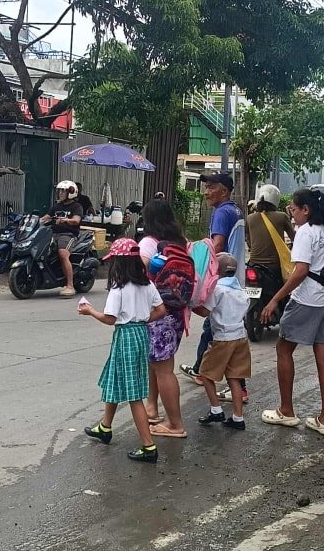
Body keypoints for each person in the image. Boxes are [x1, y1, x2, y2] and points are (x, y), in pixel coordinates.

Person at [260, 188, 324, 436]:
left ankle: (286, 410)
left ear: (306, 210)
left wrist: (275, 299)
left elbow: (300, 271)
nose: (292, 214)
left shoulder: (306, 232)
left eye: (293, 209)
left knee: (284, 349)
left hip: (308, 299)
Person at [79, 237, 166, 463]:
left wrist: (90, 311)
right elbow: (161, 310)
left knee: (134, 395)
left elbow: (110, 318)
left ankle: (148, 446)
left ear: (119, 264)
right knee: (115, 379)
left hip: (125, 335)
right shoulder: (147, 284)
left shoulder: (118, 289)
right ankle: (105, 427)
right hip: (140, 334)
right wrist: (143, 319)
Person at [179, 172, 247, 397]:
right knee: (216, 328)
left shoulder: (221, 212)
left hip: (223, 278)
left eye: (211, 188)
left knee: (217, 329)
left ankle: (236, 386)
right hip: (235, 276)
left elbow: (216, 246)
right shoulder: (236, 210)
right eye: (206, 188)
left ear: (224, 191)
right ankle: (201, 369)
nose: (206, 192)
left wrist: (197, 273)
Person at [138, 199, 187, 439]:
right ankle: (152, 408)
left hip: (157, 313)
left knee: (164, 370)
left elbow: (139, 276)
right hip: (176, 312)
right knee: (157, 364)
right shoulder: (180, 243)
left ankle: (175, 424)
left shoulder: (148, 243)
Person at [193, 253, 251, 430]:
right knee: (234, 377)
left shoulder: (217, 290)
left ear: (216, 270)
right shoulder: (241, 290)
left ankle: (216, 410)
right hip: (240, 337)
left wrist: (188, 305)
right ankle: (238, 417)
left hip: (223, 339)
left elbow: (205, 311)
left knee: (205, 373)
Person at [40, 180, 83, 297]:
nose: (60, 193)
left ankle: (70, 286)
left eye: (63, 191)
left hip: (68, 234)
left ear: (71, 192)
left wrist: (66, 220)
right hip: (52, 234)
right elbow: (46, 217)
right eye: (59, 191)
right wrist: (33, 221)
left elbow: (76, 220)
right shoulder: (57, 206)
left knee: (63, 254)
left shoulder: (76, 206)